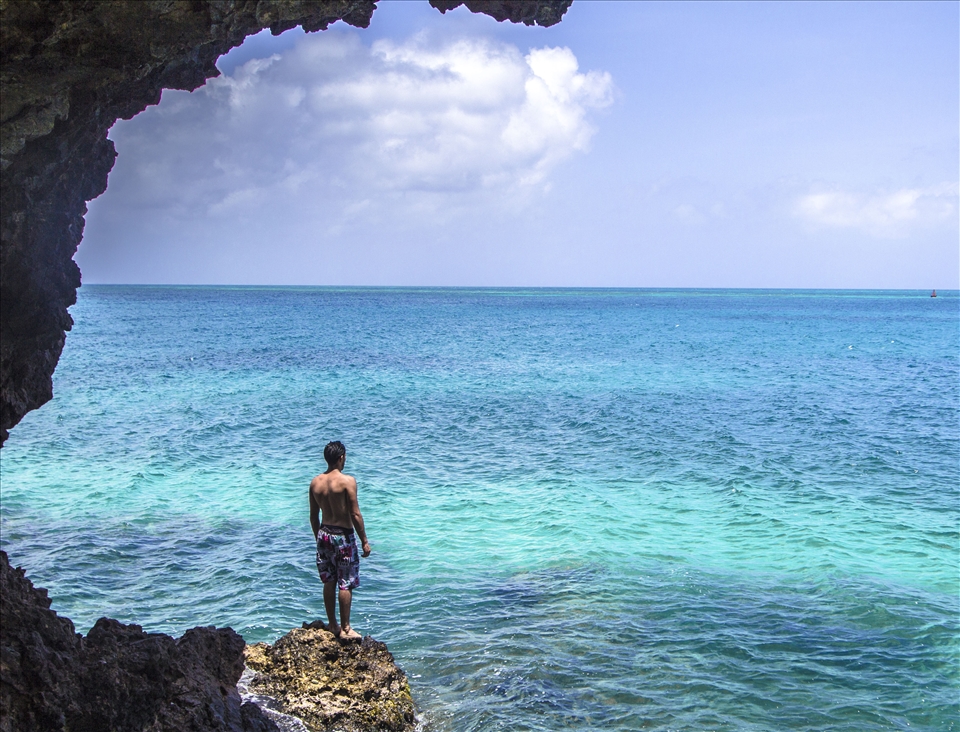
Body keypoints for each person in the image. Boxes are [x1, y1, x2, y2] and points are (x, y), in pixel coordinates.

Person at [309, 441, 371, 640]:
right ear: (341, 458)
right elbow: (355, 514)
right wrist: (364, 541)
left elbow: (313, 516)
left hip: (324, 534)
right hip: (343, 536)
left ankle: (332, 625)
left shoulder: (315, 482)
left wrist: (319, 538)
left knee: (329, 580)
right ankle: (345, 628)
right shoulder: (347, 481)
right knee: (345, 583)